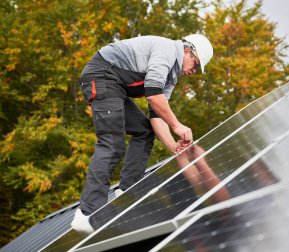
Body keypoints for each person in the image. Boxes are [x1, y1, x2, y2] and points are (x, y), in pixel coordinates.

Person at [71, 34, 213, 233]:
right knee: (112, 143)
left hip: (115, 86)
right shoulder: (167, 50)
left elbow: (157, 116)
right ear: (187, 51)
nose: (193, 71)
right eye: (195, 64)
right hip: (102, 75)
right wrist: (177, 125)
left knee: (144, 131)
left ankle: (128, 189)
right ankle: (87, 213)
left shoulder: (171, 76)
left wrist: (174, 146)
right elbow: (154, 96)